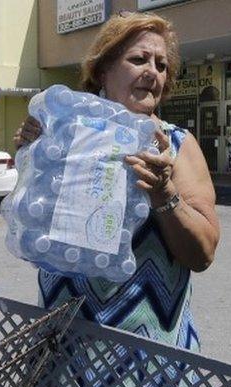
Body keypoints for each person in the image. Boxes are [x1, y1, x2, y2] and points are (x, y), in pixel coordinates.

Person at [13, 12, 220, 353]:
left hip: (148, 351)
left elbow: (203, 254)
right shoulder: (68, 133)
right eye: (138, 59)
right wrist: (32, 155)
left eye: (161, 65)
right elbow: (32, 226)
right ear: (103, 70)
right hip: (64, 347)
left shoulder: (179, 145)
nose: (152, 71)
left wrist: (164, 193)